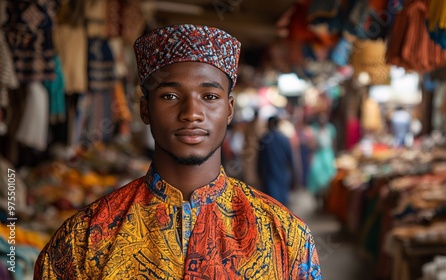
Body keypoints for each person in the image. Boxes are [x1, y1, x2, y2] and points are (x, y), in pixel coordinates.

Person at [34, 24, 322, 279]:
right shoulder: (83, 239)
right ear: (145, 109)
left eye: (209, 97)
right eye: (170, 96)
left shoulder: (285, 235)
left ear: (229, 110)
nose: (192, 113)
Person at [257, 115, 294, 206]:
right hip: (282, 175)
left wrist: (259, 174)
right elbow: (290, 159)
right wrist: (294, 175)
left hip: (269, 175)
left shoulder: (264, 139)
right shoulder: (284, 139)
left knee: (271, 203)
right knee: (282, 203)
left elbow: (260, 160)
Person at [307, 112, 337, 210]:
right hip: (318, 155)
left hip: (328, 156)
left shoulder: (331, 129)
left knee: (329, 179)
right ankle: (318, 201)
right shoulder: (313, 129)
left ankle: (326, 202)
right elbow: (310, 144)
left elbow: (333, 143)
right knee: (316, 178)